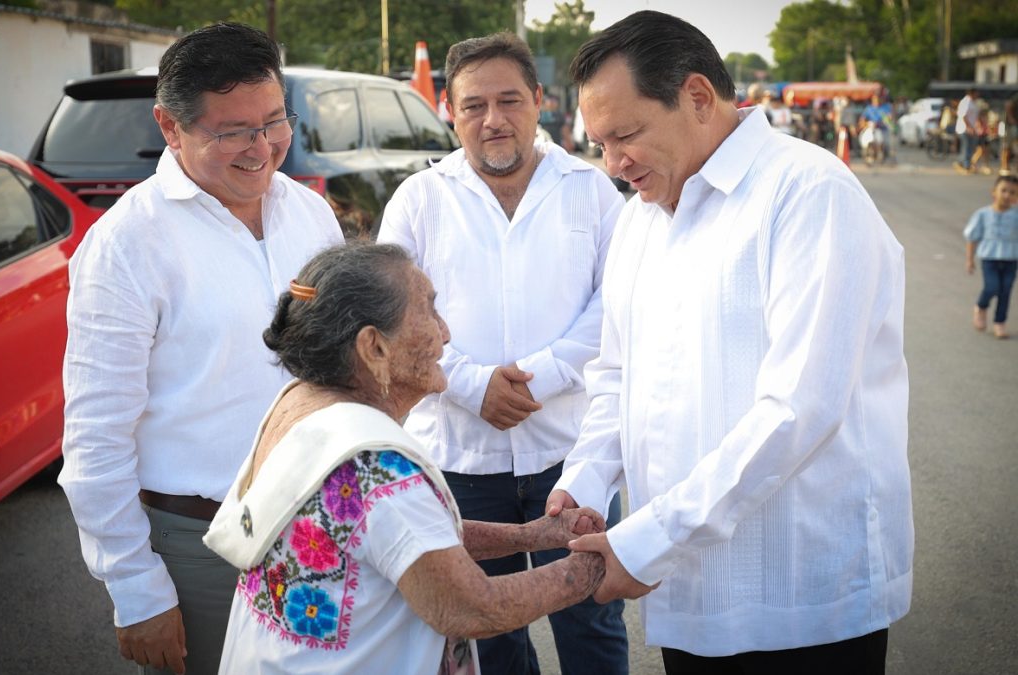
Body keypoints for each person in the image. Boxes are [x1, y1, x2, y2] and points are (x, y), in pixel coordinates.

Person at [546, 10, 913, 674]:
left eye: (625, 134)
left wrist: (654, 537)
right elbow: (616, 375)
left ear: (696, 97)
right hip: (687, 590)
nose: (612, 162)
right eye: (598, 142)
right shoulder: (639, 222)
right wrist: (587, 480)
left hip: (800, 598)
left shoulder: (808, 193)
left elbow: (799, 410)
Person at [59, 22, 344, 675]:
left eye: (275, 121)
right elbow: (96, 439)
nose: (262, 147)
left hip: (318, 524)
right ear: (170, 126)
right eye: (231, 131)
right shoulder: (127, 244)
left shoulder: (308, 214)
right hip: (199, 545)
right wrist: (137, 590)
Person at [203, 242, 608, 673]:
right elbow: (471, 607)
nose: (446, 332)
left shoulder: (300, 402)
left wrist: (533, 535)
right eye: (429, 310)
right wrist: (596, 565)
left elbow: (405, 538)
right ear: (373, 347)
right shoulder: (376, 467)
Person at [377, 31, 629, 675]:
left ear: (540, 101)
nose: (493, 121)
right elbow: (395, 315)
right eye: (473, 106)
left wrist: (538, 378)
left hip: (570, 454)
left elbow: (621, 304)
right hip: (457, 456)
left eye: (510, 101)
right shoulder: (418, 199)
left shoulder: (591, 190)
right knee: (488, 635)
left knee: (591, 619)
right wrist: (471, 384)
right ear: (451, 113)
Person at [965, 174, 1018, 339]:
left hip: (1011, 259)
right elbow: (972, 237)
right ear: (994, 192)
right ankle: (981, 306)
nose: (1007, 195)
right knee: (992, 287)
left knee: (1005, 291)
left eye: (1013, 192)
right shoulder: (982, 214)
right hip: (989, 259)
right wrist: (969, 259)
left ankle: (999, 322)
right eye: (1004, 190)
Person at [955, 87, 981, 172]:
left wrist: (976, 127)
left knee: (970, 147)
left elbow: (975, 117)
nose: (978, 95)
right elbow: (964, 116)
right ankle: (965, 165)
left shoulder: (973, 102)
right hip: (964, 129)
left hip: (971, 129)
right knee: (966, 147)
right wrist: (969, 127)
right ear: (972, 93)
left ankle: (966, 164)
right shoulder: (965, 102)